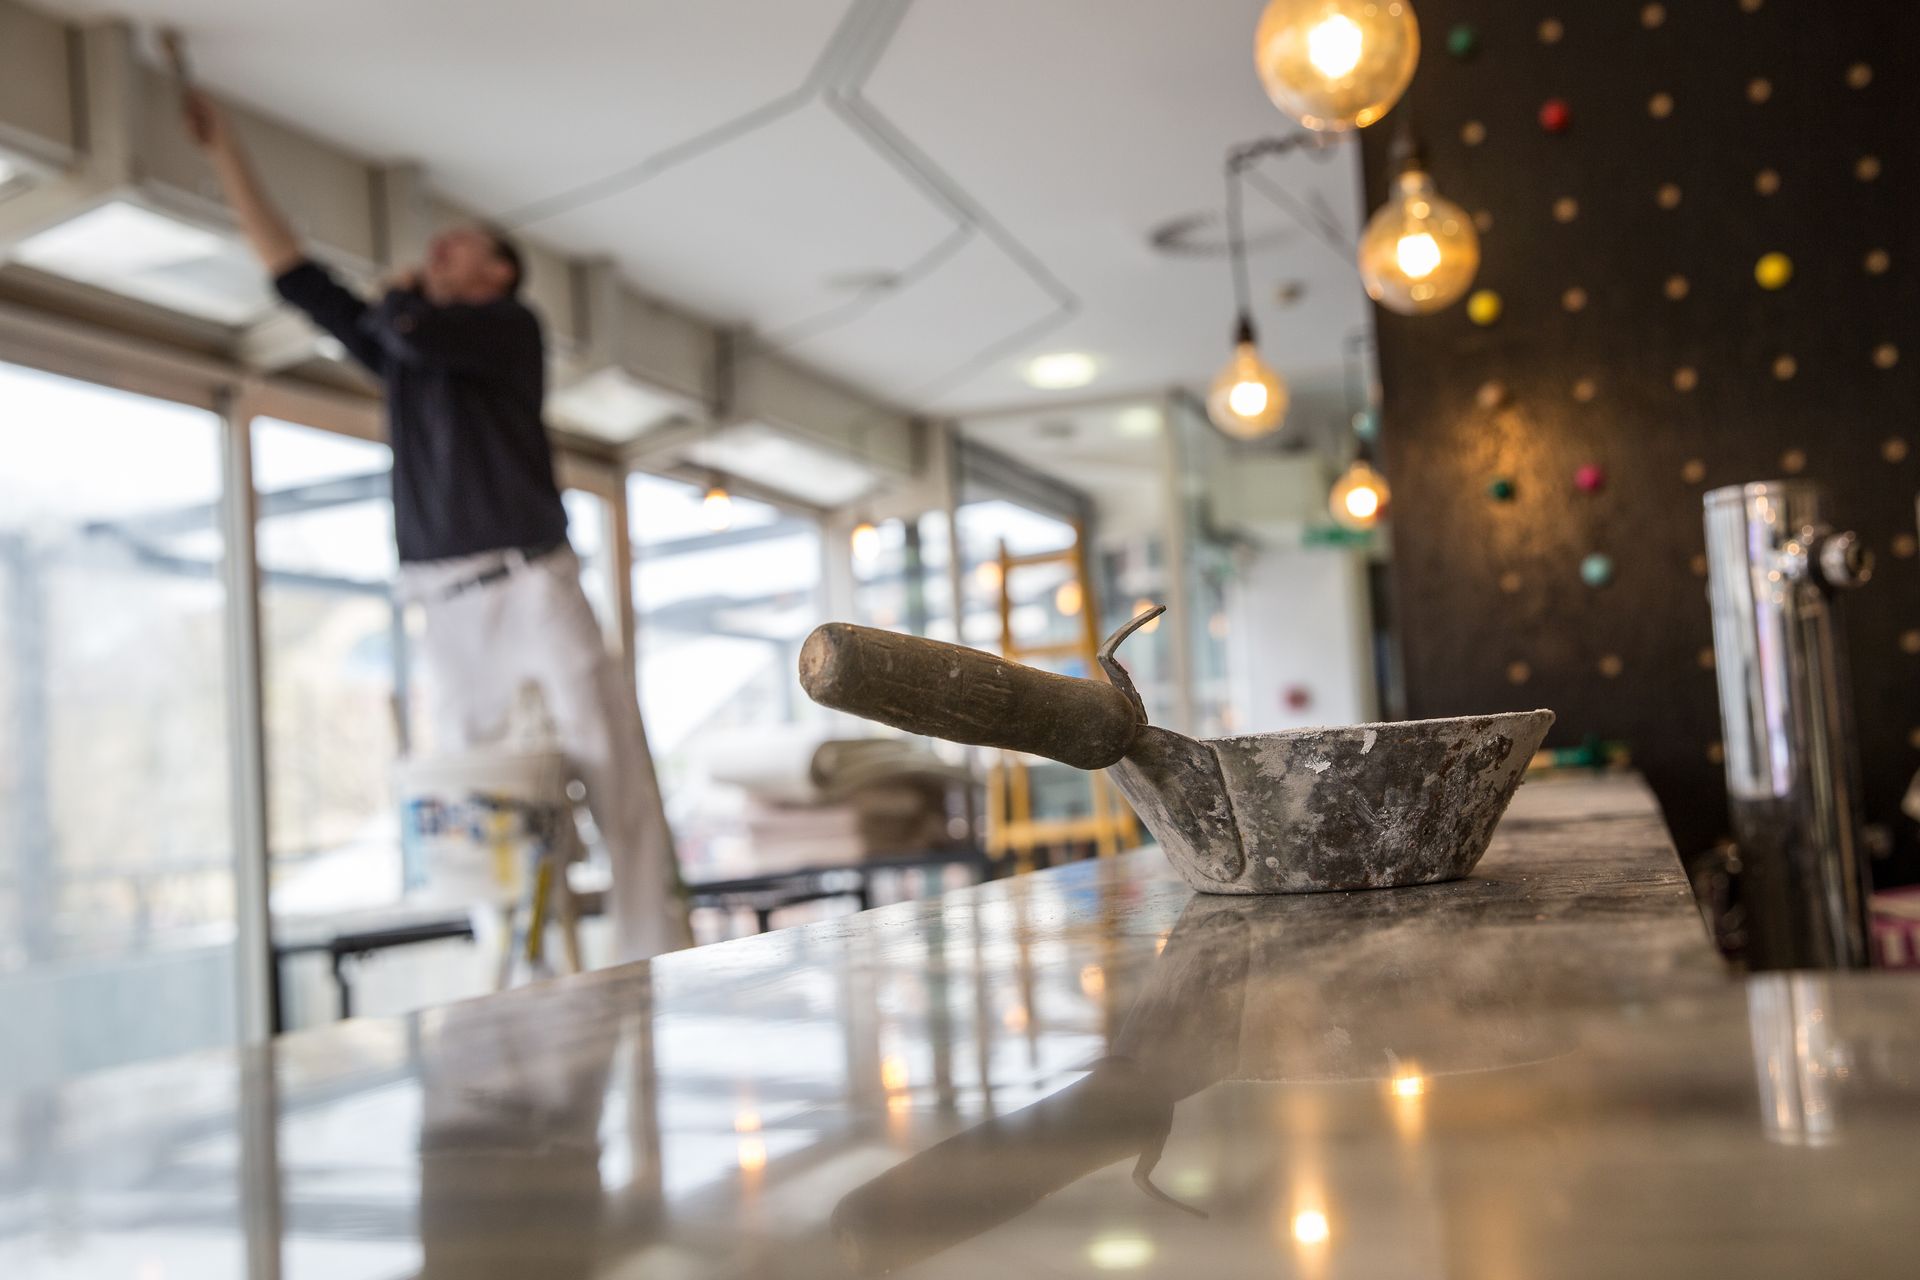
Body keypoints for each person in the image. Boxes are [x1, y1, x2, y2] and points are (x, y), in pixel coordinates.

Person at [185, 90, 691, 962]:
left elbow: (408, 325)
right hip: (447, 603)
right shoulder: (408, 345)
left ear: (498, 273)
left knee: (609, 758)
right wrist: (226, 149)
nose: (440, 246)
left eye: (464, 242)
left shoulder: (505, 329)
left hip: (533, 581)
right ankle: (512, 966)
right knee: (470, 794)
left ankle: (658, 950)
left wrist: (400, 297)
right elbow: (296, 278)